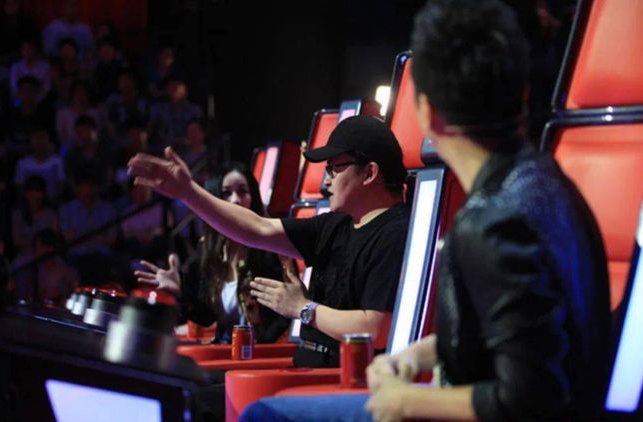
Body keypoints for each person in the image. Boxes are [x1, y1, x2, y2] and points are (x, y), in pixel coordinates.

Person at [241, 0, 611, 421]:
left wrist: (405, 401)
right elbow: (507, 339)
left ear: (427, 112)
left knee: (265, 415)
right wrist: (416, 355)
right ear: (522, 95)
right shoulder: (544, 182)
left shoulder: (495, 222)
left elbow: (531, 399)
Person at [128, 115, 410, 367]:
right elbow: (257, 228)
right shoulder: (336, 224)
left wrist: (303, 308)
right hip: (304, 372)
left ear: (369, 173)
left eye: (334, 168)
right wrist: (188, 192)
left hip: (341, 383)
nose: (327, 181)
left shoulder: (395, 232)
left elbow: (376, 329)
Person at [134, 163, 291, 343]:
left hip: (261, 353)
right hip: (223, 349)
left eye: (242, 192)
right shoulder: (208, 250)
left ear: (253, 198)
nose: (235, 200)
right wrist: (180, 292)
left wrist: (259, 346)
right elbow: (206, 318)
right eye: (226, 193)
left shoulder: (272, 249)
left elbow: (285, 314)